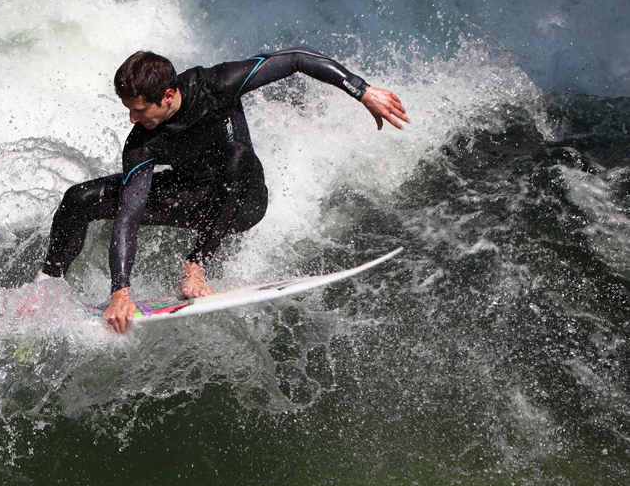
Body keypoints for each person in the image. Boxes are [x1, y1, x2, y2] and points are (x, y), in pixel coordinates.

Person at [35, 47, 409, 332]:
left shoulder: (215, 85)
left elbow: (294, 59)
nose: (132, 119)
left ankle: (197, 263)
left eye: (138, 110)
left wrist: (362, 91)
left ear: (167, 94)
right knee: (79, 198)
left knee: (236, 161)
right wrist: (121, 290)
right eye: (129, 110)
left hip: (245, 200)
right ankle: (47, 283)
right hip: (192, 195)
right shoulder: (141, 142)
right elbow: (130, 214)